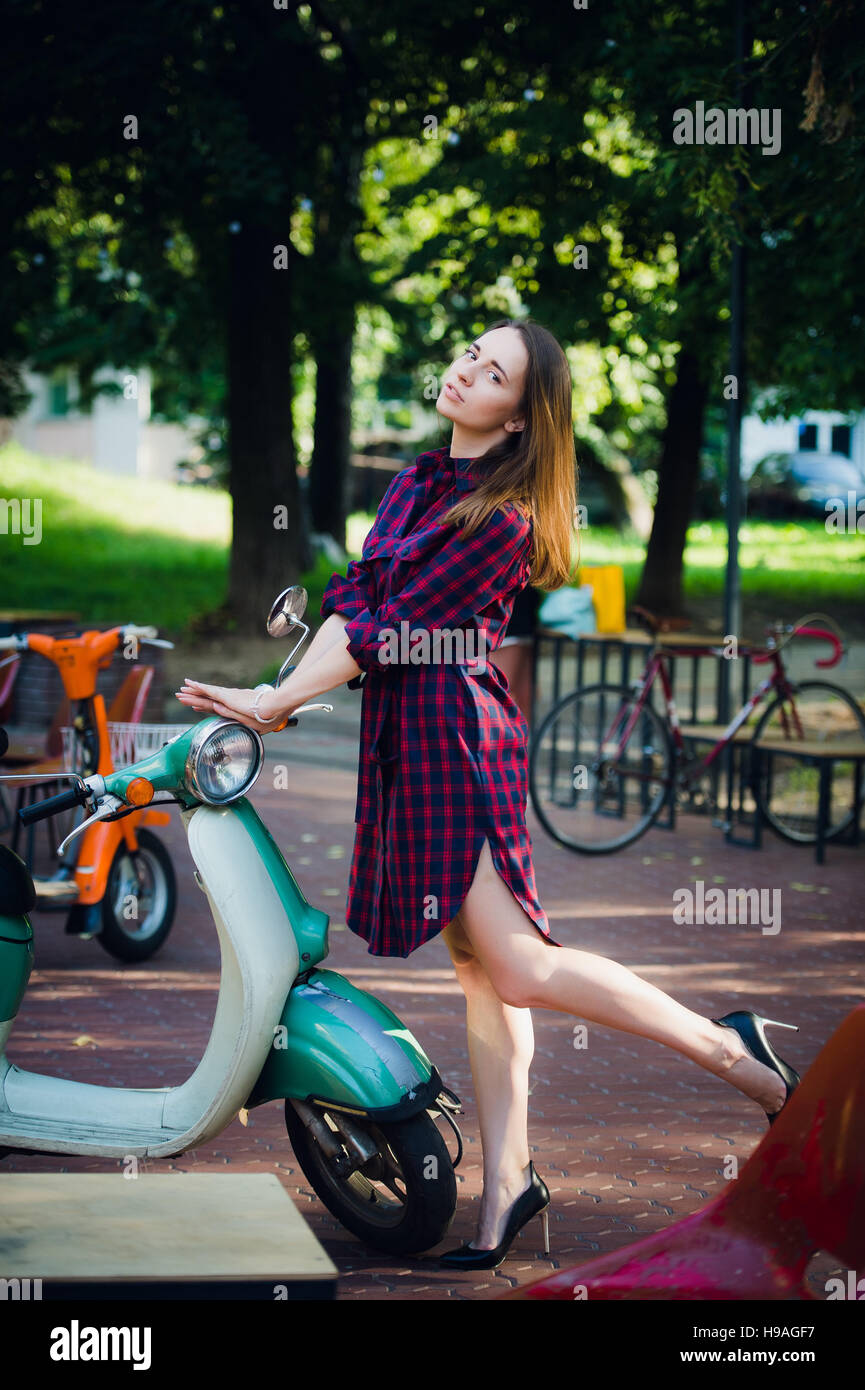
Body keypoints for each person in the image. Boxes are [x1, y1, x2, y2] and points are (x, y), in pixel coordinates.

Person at [176, 317, 799, 1270]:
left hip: (457, 741)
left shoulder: (502, 521)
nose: (467, 371)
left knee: (518, 968)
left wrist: (275, 701)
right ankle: (508, 1181)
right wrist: (279, 694)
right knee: (481, 970)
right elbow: (357, 605)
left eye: (494, 372)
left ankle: (734, 1053)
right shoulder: (420, 480)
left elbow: (392, 630)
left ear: (519, 419)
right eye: (471, 352)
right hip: (407, 735)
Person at [490, 580, 541, 725]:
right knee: (521, 693)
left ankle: (508, 745)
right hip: (523, 607)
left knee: (498, 694)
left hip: (508, 615)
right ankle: (522, 745)